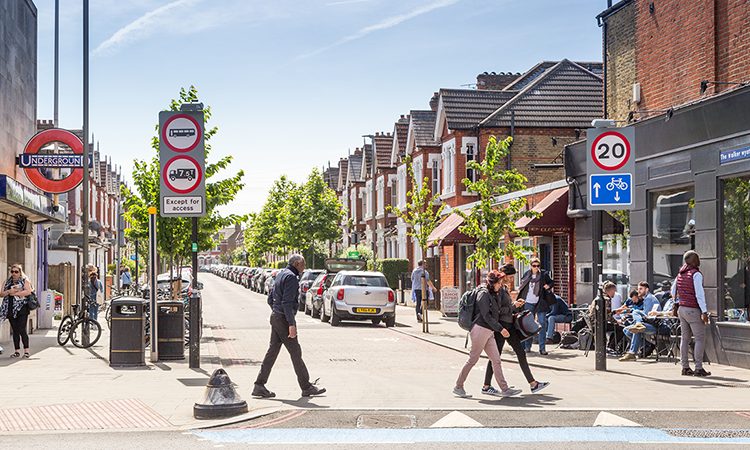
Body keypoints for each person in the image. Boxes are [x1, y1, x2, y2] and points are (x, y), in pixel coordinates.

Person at [253, 254, 326, 398]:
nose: (304, 268)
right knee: (295, 352)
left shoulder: (280, 274)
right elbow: (287, 303)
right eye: (303, 265)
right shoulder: (291, 277)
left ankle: (259, 385)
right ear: (297, 263)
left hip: (277, 317)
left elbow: (270, 298)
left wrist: (276, 312)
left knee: (272, 352)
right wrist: (291, 324)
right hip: (283, 319)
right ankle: (306, 387)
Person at [453, 269, 522, 398]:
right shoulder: (483, 294)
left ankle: (505, 389)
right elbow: (486, 316)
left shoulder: (493, 294)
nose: (500, 285)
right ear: (492, 283)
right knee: (472, 360)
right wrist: (501, 329)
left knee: (496, 360)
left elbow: (498, 312)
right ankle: (458, 386)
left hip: (488, 331)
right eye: (499, 283)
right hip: (480, 330)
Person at [482, 265, 549, 396]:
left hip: (509, 325)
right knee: (495, 356)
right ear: (505, 275)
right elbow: (499, 310)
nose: (512, 279)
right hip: (502, 327)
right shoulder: (499, 289)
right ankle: (486, 385)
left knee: (519, 352)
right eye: (511, 277)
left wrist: (515, 305)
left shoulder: (504, 289)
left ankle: (533, 383)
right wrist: (514, 306)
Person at [672, 250, 711, 377]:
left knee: (685, 338)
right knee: (699, 338)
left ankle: (685, 367)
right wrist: (704, 311)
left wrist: (677, 301)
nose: (699, 261)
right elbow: (700, 295)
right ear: (693, 261)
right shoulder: (696, 274)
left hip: (682, 309)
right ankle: (698, 368)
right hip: (693, 309)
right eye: (697, 258)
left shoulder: (680, 274)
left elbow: (673, 291)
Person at [516, 258, 554, 355]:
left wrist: (548, 286)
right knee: (528, 325)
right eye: (534, 266)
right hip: (528, 302)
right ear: (531, 266)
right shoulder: (527, 274)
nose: (536, 268)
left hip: (540, 302)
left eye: (538, 266)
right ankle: (527, 347)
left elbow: (552, 282)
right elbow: (522, 285)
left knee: (542, 324)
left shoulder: (543, 275)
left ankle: (542, 348)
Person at [0, 264, 34, 358]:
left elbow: (28, 291)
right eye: (12, 271)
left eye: (16, 272)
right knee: (15, 330)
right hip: (10, 308)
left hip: (22, 308)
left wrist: (17, 293)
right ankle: (17, 351)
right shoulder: (7, 282)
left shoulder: (25, 280)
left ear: (20, 272)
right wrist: (9, 292)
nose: (14, 273)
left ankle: (26, 351)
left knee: (22, 329)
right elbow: (1, 294)